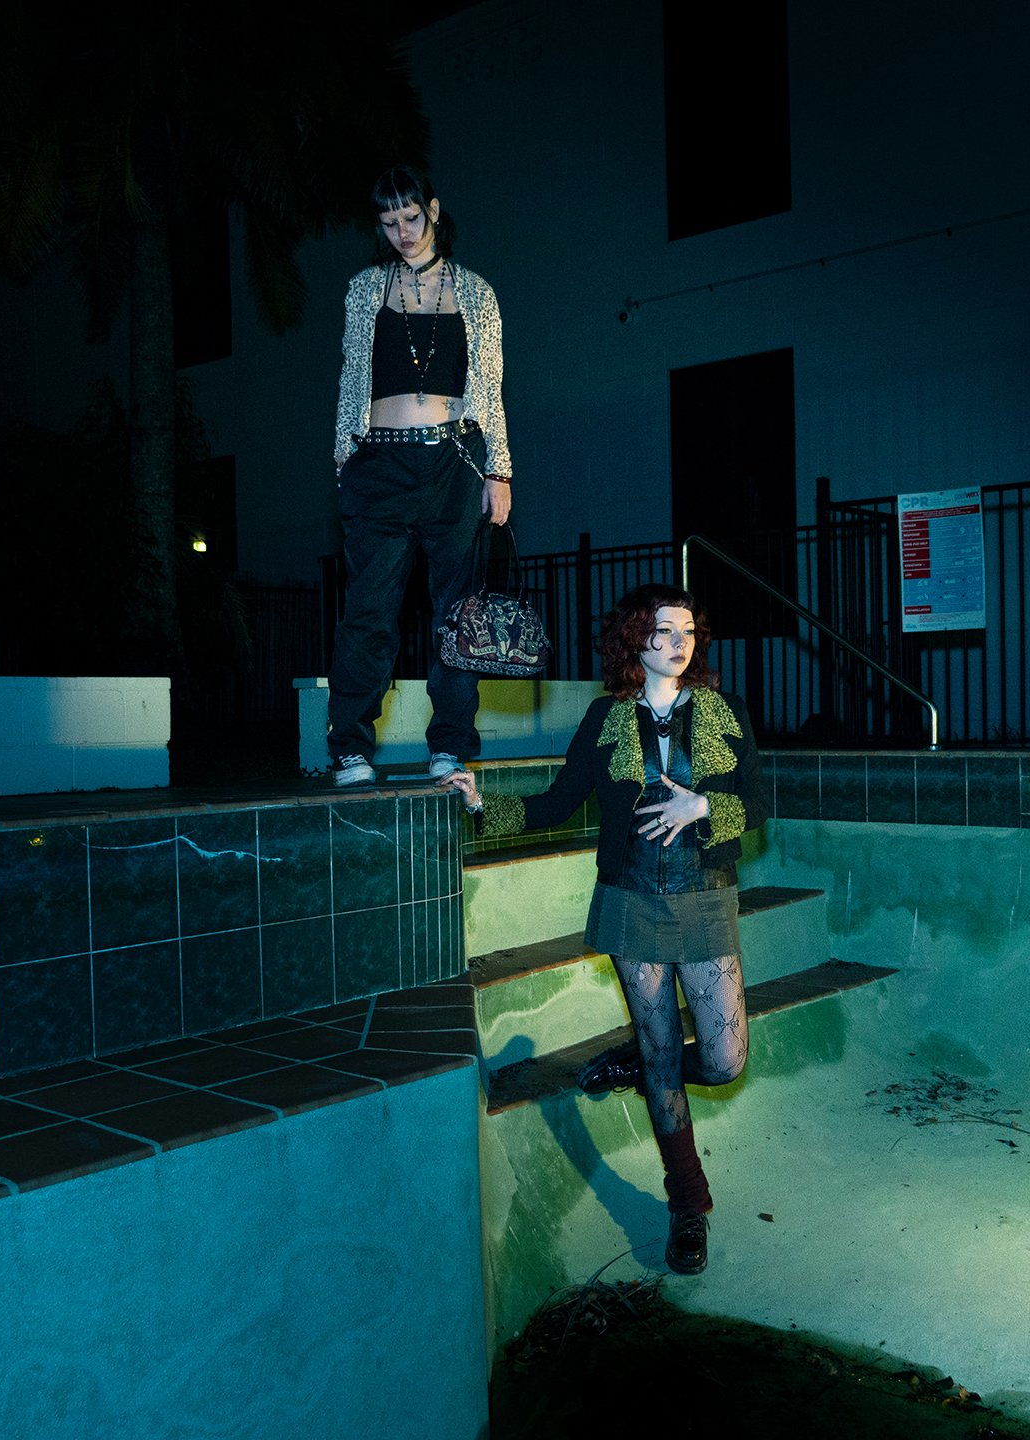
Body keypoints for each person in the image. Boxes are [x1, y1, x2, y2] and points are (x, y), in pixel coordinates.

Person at [441, 583, 770, 1275]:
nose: (678, 641)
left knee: (724, 1059)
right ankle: (689, 1205)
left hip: (704, 897)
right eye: (662, 629)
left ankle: (647, 1068)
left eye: (687, 630)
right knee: (660, 1056)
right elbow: (557, 804)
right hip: (628, 904)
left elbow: (760, 803)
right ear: (633, 641)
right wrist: (480, 806)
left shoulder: (722, 710)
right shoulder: (604, 718)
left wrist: (703, 806)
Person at [327, 166, 512, 786]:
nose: (403, 232)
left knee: (457, 614)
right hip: (378, 463)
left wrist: (500, 472)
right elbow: (352, 379)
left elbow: (490, 388)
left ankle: (450, 745)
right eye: (389, 222)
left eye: (411, 217)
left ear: (432, 209)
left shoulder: (476, 291)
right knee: (368, 611)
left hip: (453, 462)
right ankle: (350, 746)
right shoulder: (363, 290)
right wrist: (344, 460)